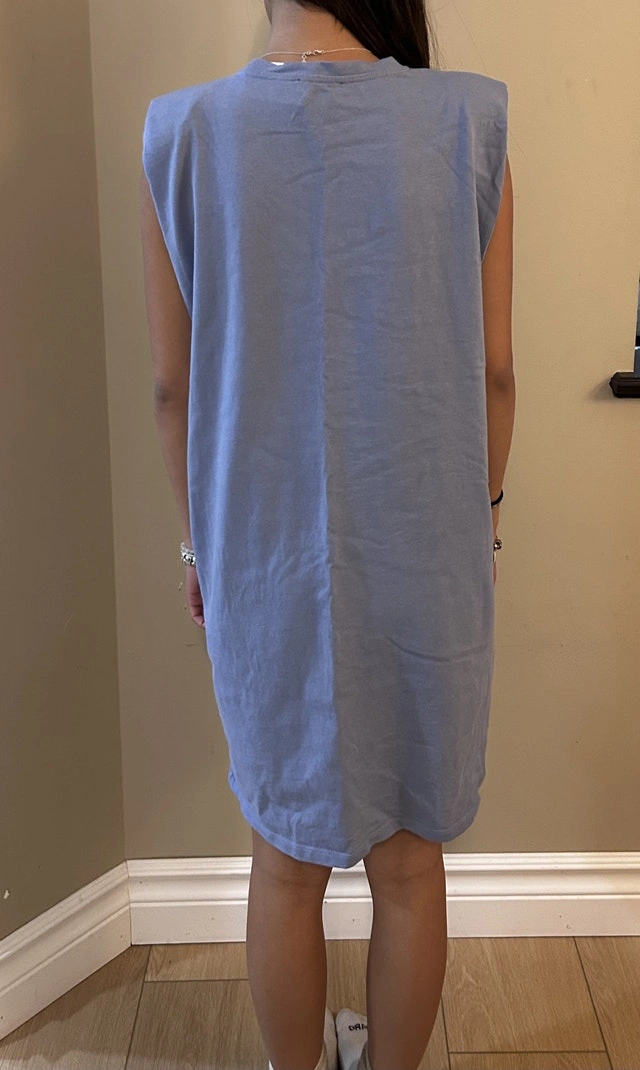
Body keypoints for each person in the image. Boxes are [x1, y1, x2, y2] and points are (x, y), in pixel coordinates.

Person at [139, 0, 516, 1067]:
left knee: (282, 860)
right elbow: (495, 372)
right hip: (428, 545)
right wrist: (484, 522)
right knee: (410, 861)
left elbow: (172, 389)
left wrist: (197, 548)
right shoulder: (470, 119)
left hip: (259, 552)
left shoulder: (181, 130)